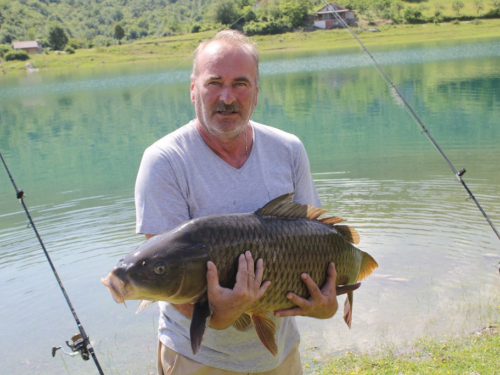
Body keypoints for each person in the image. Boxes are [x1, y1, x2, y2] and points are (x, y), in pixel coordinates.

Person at [135, 29, 339, 375]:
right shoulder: (164, 161)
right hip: (198, 360)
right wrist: (220, 316)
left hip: (280, 356)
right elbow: (168, 280)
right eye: (214, 82)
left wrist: (326, 306)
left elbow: (318, 246)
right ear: (193, 89)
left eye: (240, 83)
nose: (227, 97)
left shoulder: (288, 149)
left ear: (256, 93)